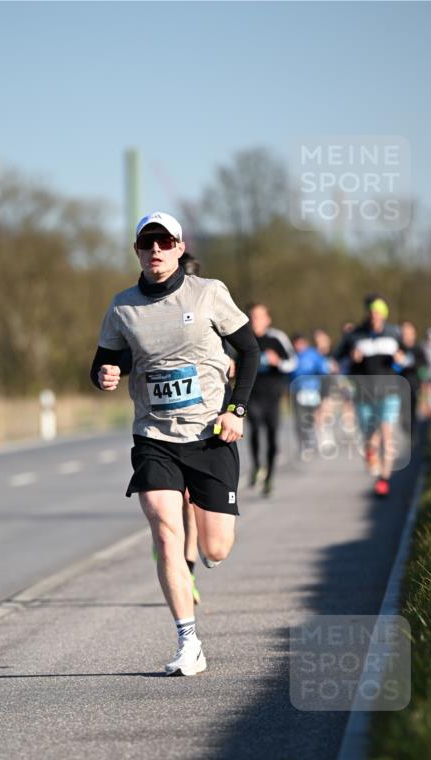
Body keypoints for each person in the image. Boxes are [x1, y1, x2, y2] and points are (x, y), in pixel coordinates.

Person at [90, 212, 259, 676]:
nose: (156, 251)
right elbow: (105, 361)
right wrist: (105, 374)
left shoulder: (209, 293)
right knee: (166, 533)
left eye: (165, 242)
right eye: (147, 244)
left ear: (180, 248)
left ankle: (204, 542)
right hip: (154, 436)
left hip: (209, 436)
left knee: (216, 549)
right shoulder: (123, 307)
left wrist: (236, 410)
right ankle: (188, 642)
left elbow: (250, 350)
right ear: (137, 251)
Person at [335, 296, 406, 497]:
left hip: (389, 392)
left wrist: (400, 360)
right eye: (372, 312)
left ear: (384, 315)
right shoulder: (355, 336)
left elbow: (406, 359)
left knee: (387, 434)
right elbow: (337, 359)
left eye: (378, 312)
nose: (374, 316)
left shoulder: (394, 334)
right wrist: (352, 358)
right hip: (364, 394)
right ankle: (370, 451)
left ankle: (384, 479)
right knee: (369, 436)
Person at [244, 303, 296, 495]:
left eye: (259, 317)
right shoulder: (243, 338)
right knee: (255, 429)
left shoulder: (276, 338)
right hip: (252, 395)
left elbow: (293, 363)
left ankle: (269, 478)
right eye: (252, 316)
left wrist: (278, 362)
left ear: (268, 319)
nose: (255, 320)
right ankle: (257, 466)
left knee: (272, 437)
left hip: (273, 397)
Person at [289, 333, 331, 458]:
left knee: (312, 418)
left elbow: (324, 371)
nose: (298, 347)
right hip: (297, 392)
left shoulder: (313, 355)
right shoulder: (292, 356)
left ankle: (315, 442)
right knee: (299, 420)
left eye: (300, 343)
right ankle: (304, 445)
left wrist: (324, 393)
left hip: (312, 392)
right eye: (296, 344)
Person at [398, 320, 430, 437]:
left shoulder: (419, 350)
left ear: (414, 334)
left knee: (415, 418)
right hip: (399, 390)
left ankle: (415, 438)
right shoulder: (397, 350)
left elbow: (425, 373)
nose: (405, 336)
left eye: (408, 333)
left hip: (415, 389)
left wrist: (425, 396)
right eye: (403, 333)